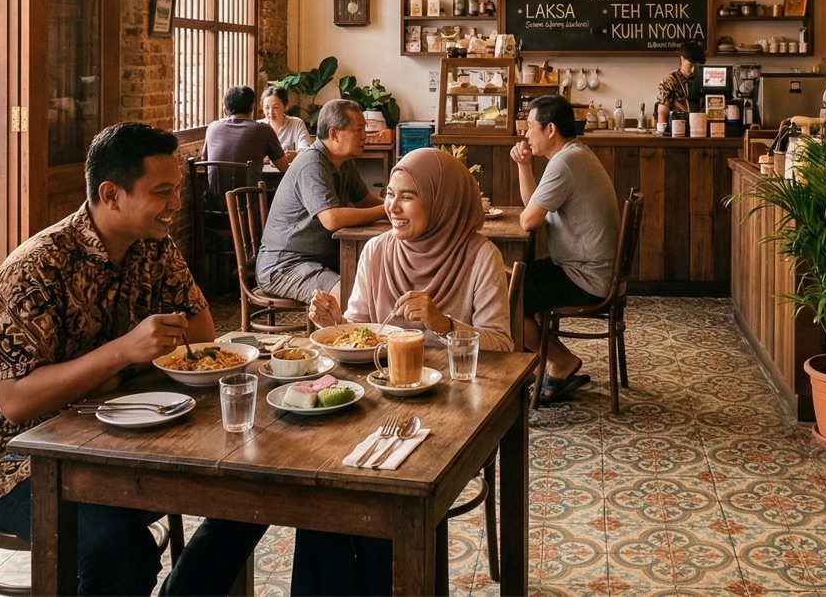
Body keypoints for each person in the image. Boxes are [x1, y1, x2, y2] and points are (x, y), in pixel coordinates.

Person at [0, 121, 266, 596]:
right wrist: (124, 352)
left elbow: (204, 331)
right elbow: (16, 403)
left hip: (123, 438)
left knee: (255, 495)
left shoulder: (154, 246)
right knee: (121, 552)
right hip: (22, 463)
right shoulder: (35, 268)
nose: (176, 205)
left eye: (177, 190)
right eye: (162, 192)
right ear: (111, 194)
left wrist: (138, 356)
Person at [295, 147, 513, 596]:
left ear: (443, 199)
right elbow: (361, 330)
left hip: (449, 411)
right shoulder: (376, 250)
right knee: (319, 492)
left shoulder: (480, 256)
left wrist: (444, 325)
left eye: (408, 196)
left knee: (395, 494)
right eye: (388, 194)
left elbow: (502, 346)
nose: (392, 206)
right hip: (377, 404)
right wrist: (334, 323)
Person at [509, 95, 620, 402]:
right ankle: (547, 362)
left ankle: (559, 362)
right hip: (587, 269)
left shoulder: (565, 163)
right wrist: (524, 164)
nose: (526, 134)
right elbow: (533, 207)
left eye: (531, 127)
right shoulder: (572, 155)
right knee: (510, 285)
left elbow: (529, 221)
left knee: (505, 295)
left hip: (586, 277)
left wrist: (527, 211)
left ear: (550, 130)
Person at [254, 98, 387, 303]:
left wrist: (398, 207)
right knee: (349, 298)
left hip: (320, 260)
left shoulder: (344, 162)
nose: (364, 136)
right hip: (285, 265)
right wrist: (387, 209)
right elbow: (331, 219)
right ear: (334, 133)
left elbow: (363, 200)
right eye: (358, 130)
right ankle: (340, 335)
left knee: (378, 279)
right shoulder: (312, 162)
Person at [204, 85, 292, 198]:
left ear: (225, 110)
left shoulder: (212, 128)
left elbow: (205, 160)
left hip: (214, 203)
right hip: (249, 205)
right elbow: (284, 168)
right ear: (252, 107)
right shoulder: (263, 130)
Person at [654, 40, 705, 122]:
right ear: (682, 59)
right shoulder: (670, 80)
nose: (693, 70)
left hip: (701, 126)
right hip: (677, 126)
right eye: (690, 65)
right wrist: (662, 131)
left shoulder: (705, 80)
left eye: (698, 66)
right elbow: (662, 112)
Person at [260, 86, 314, 153]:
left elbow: (306, 151)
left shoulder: (297, 124)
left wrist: (294, 154)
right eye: (267, 108)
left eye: (275, 107)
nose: (271, 112)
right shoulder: (257, 126)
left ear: (286, 106)